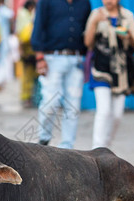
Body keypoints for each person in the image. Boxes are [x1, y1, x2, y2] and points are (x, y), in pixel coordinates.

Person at [31, 0, 91, 149]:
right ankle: (44, 138)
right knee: (50, 102)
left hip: (76, 59)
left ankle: (67, 146)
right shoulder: (46, 2)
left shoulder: (84, 3)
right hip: (52, 59)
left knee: (73, 104)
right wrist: (39, 58)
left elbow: (88, 31)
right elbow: (38, 27)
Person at [84, 0, 134, 149]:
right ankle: (97, 148)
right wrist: (94, 23)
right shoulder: (96, 14)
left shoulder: (128, 16)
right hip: (101, 71)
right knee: (104, 111)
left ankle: (106, 148)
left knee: (117, 115)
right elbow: (88, 43)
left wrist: (127, 36)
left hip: (121, 74)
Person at [16, 0, 37, 108]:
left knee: (28, 77)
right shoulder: (25, 16)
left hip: (30, 51)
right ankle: (26, 98)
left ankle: (28, 98)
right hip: (28, 51)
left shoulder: (24, 15)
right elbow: (22, 35)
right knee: (27, 77)